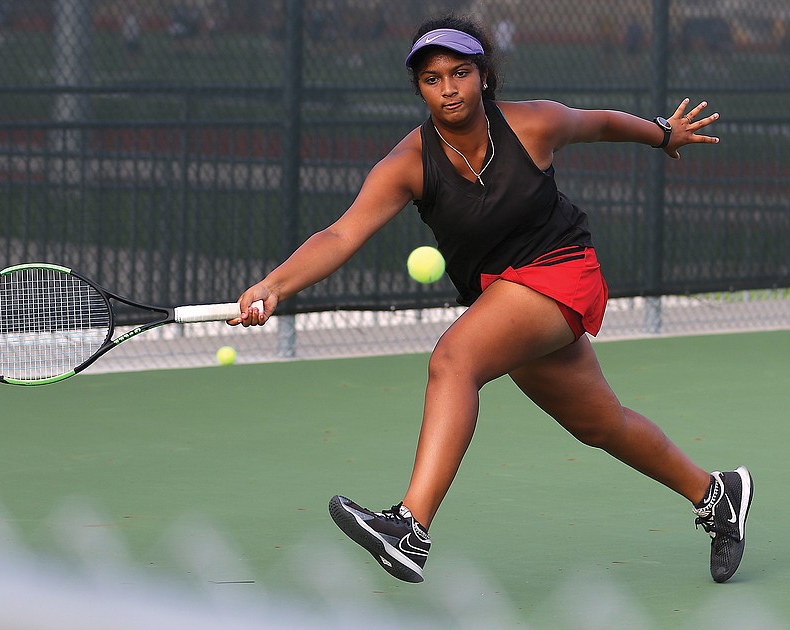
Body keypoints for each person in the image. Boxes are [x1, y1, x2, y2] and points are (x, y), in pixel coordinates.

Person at [230, 14, 753, 585]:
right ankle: (716, 493)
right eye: (432, 78)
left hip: (563, 268)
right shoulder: (408, 163)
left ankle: (410, 528)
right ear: (419, 88)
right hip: (503, 294)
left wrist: (662, 133)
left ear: (484, 76)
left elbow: (598, 123)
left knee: (455, 360)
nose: (448, 88)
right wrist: (273, 284)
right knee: (601, 424)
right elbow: (341, 234)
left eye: (460, 73)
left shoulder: (532, 125)